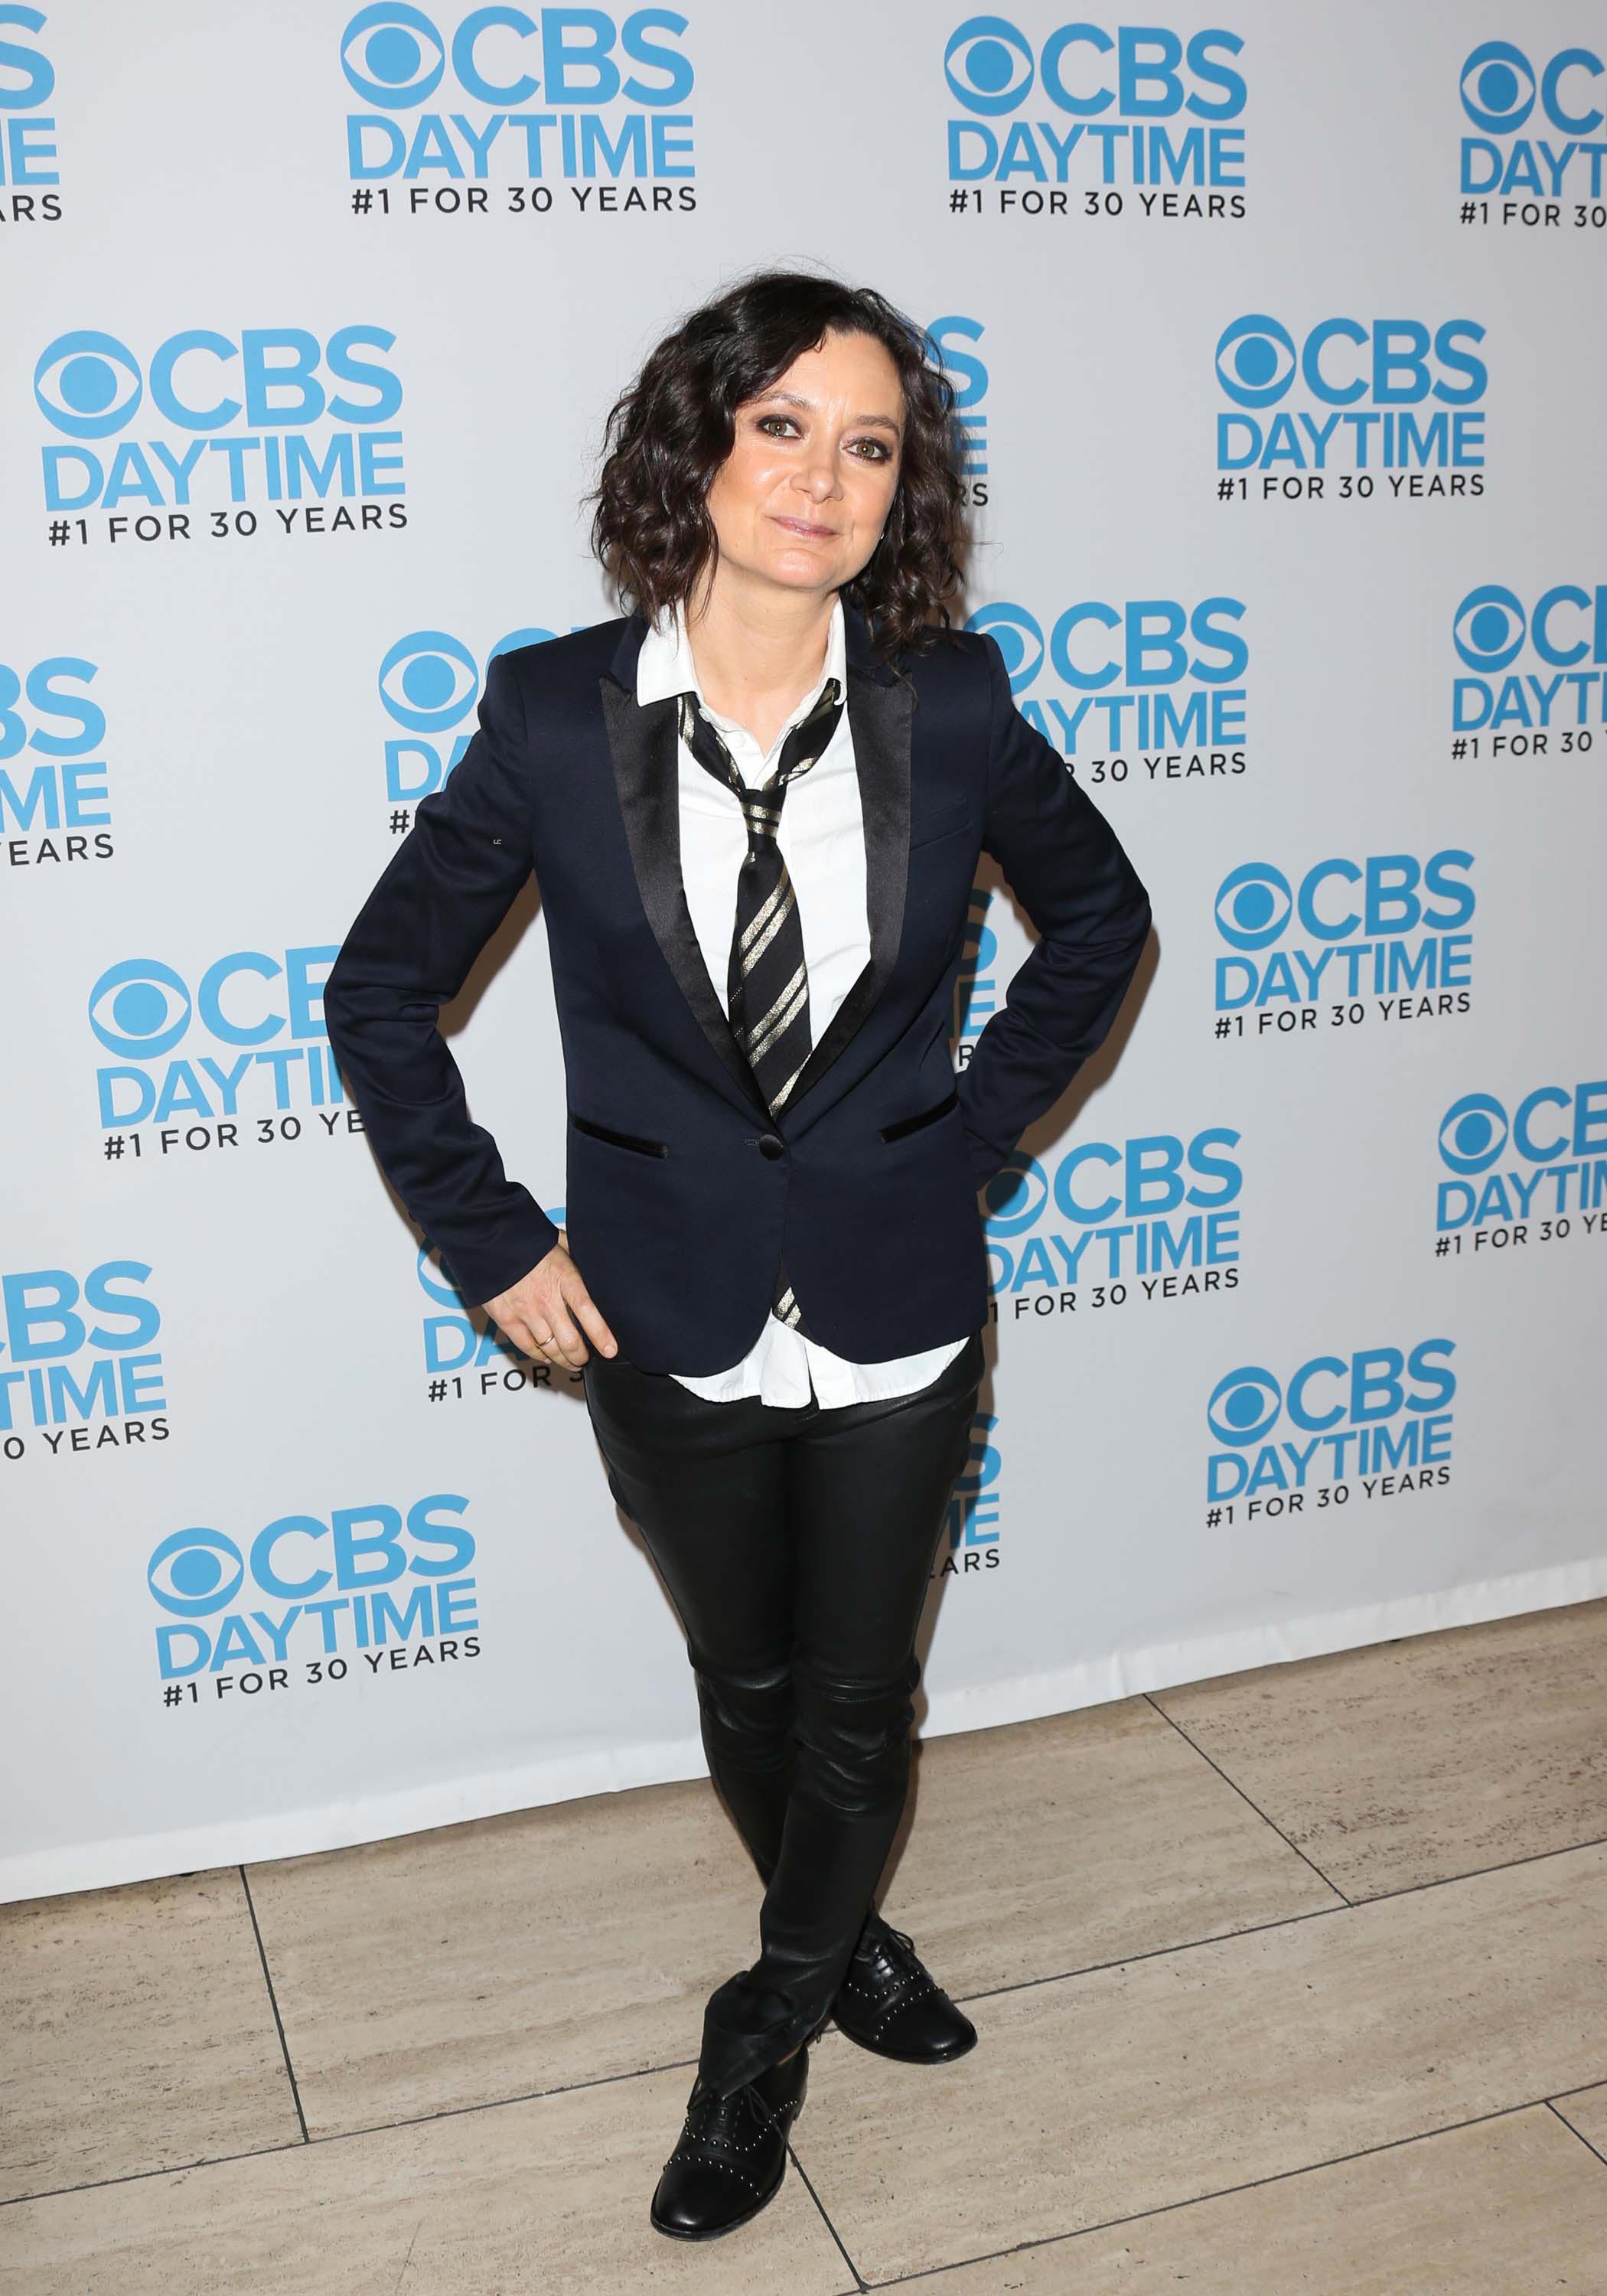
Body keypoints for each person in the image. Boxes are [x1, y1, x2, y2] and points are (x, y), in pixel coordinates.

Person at [322, 268, 1152, 2240]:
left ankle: (764, 2026)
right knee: (748, 1678)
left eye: (870, 445)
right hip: (657, 1297)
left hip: (894, 1299)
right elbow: (379, 992)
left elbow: (1103, 922)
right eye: (783, 425)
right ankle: (843, 1936)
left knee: (864, 1697)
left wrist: (965, 1141)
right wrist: (488, 1235)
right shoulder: (551, 711)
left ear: (903, 496)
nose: (823, 477)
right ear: (698, 445)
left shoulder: (952, 705)